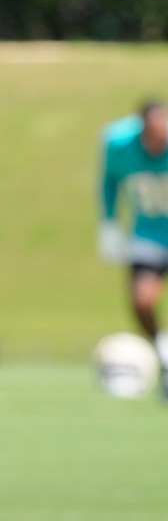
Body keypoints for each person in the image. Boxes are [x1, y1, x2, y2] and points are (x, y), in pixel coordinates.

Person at [98, 99, 168, 397]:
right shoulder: (120, 145)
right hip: (149, 233)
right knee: (141, 300)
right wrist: (110, 222)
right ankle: (163, 351)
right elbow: (110, 181)